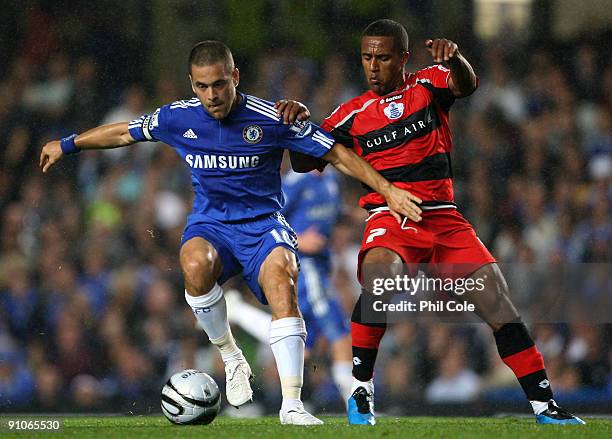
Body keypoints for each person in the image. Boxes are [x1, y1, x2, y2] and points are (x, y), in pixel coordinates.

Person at [39, 40, 422, 425]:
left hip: (264, 225)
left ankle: (291, 405)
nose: (212, 95)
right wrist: (67, 145)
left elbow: (335, 153)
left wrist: (387, 189)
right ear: (192, 84)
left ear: (235, 77)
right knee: (192, 263)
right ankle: (229, 353)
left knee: (282, 275)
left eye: (220, 84)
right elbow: (125, 133)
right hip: (212, 225)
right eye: (203, 87)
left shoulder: (272, 118)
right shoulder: (177, 118)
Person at [285, 19, 584, 425]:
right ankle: (360, 389)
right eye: (367, 57)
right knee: (379, 279)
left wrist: (456, 58)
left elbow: (465, 84)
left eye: (383, 57)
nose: (373, 65)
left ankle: (545, 406)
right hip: (390, 217)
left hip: (443, 218)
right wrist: (297, 125)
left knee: (498, 303)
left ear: (404, 59)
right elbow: (305, 161)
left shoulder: (427, 85)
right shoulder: (350, 114)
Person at [225, 166, 353, 405]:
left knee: (302, 348)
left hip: (321, 265)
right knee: (340, 332)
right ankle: (357, 407)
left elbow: (331, 215)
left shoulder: (332, 178)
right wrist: (299, 240)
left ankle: (238, 312)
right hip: (304, 266)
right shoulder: (295, 183)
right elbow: (265, 219)